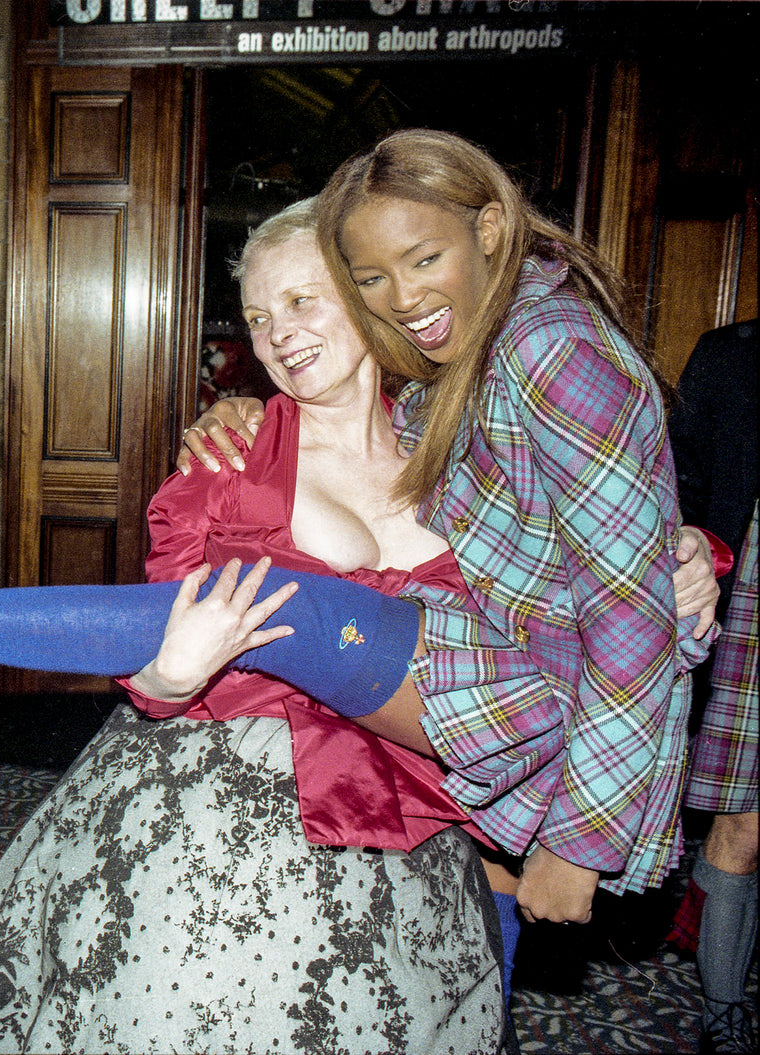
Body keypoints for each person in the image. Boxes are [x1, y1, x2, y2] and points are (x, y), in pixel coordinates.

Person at [0, 199, 507, 1054]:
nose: (278, 334)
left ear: (366, 295)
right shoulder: (229, 463)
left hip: (407, 810)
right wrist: (169, 678)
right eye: (258, 316)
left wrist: (680, 557)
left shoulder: (458, 452)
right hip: (219, 808)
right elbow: (147, 636)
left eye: (302, 300)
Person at [181, 128, 713, 932]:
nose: (401, 297)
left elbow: (629, 612)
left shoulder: (549, 347)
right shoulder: (451, 368)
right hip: (498, 713)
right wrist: (241, 412)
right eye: (373, 278)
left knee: (293, 621)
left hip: (563, 728)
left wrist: (581, 841)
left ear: (490, 228)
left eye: (424, 259)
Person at [665, 319, 758, 1055]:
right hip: (751, 613)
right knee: (746, 826)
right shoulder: (733, 359)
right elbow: (681, 493)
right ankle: (725, 1011)